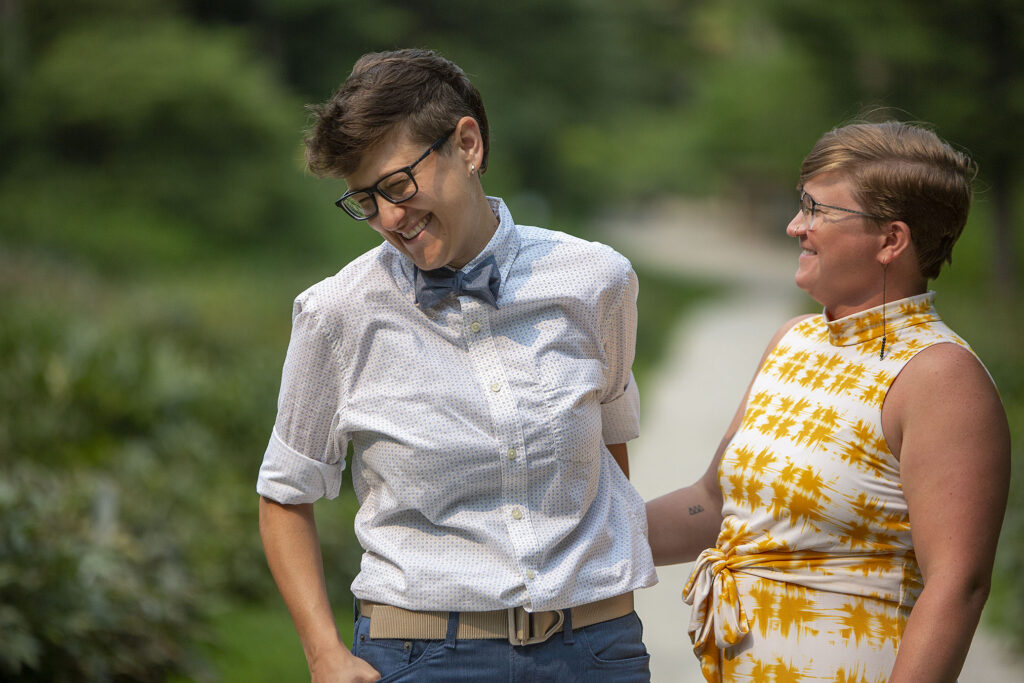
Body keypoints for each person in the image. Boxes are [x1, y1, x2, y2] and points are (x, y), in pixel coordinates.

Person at [256, 48, 656, 683]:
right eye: (365, 200)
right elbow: (284, 493)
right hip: (421, 658)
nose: (388, 219)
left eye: (396, 185)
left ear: (466, 144)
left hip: (593, 652)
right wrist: (324, 655)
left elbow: (608, 452)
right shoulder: (337, 313)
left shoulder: (596, 281)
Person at [645, 120, 1010, 682]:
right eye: (802, 206)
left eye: (818, 211)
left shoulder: (939, 375)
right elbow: (715, 506)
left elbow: (957, 584)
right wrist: (578, 534)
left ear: (892, 240)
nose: (796, 226)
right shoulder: (793, 340)